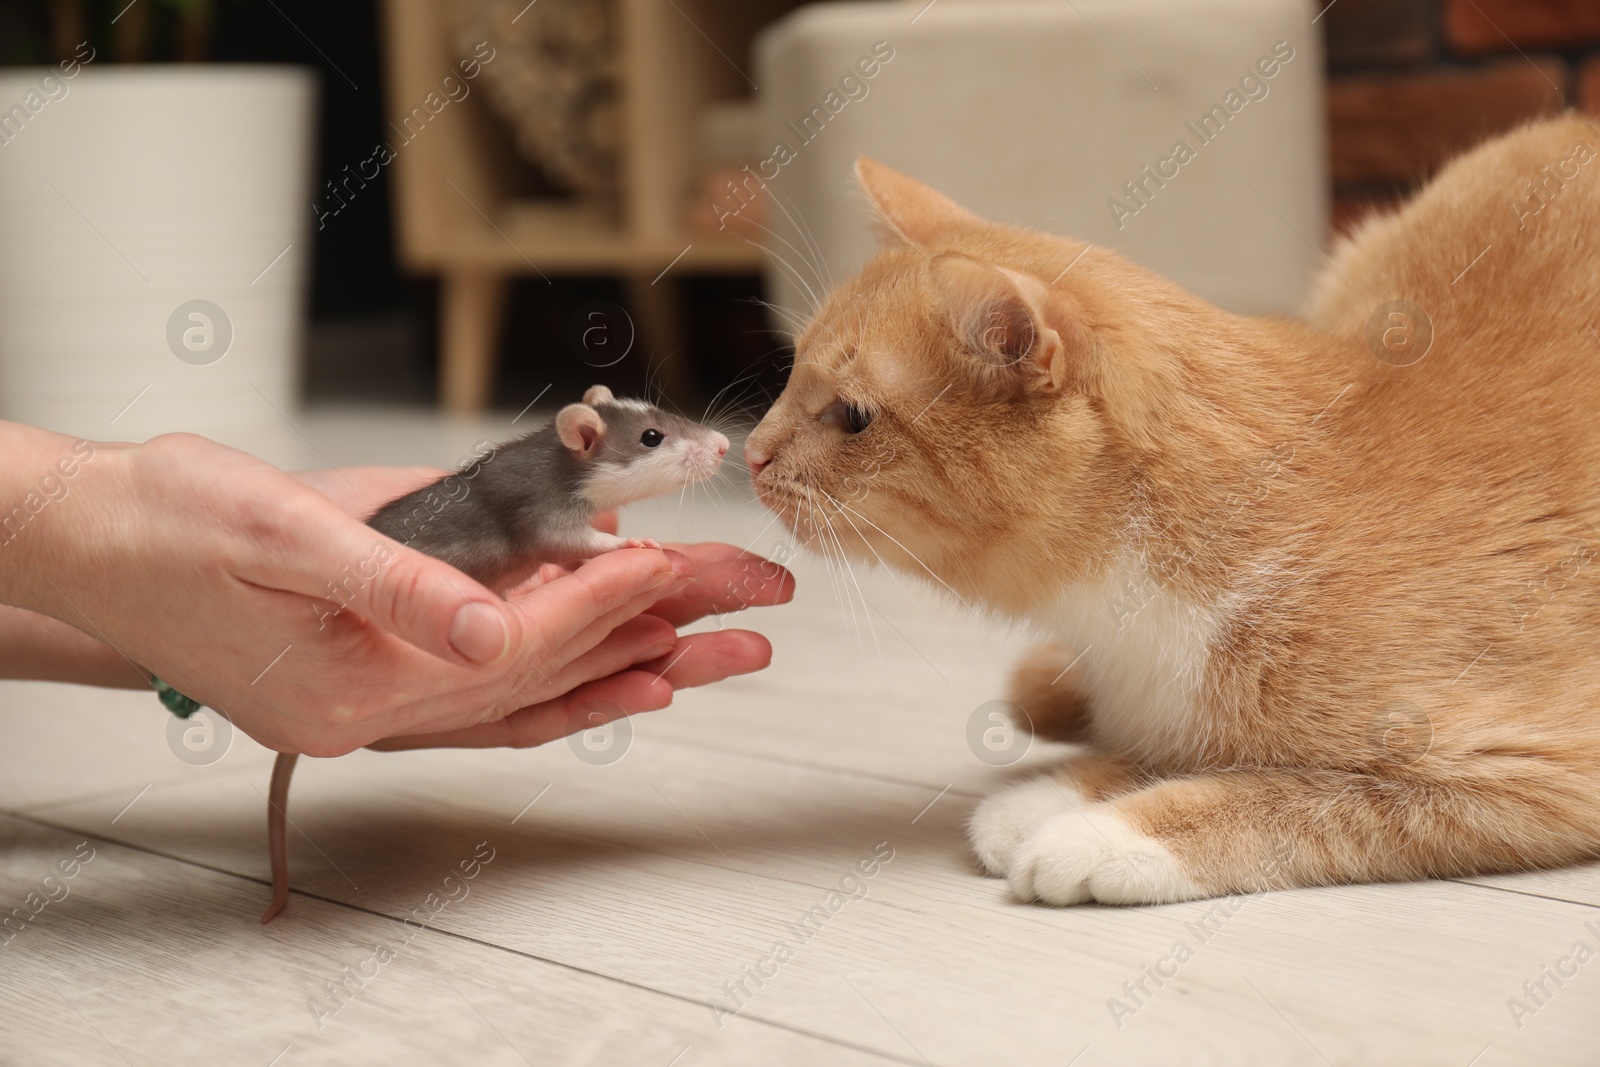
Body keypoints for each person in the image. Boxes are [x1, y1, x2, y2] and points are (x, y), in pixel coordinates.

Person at [0, 422, 791, 755]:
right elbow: (550, 537)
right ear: (585, 441)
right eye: (656, 440)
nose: (705, 445)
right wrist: (103, 536)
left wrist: (167, 604)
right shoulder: (545, 493)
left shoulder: (544, 478)